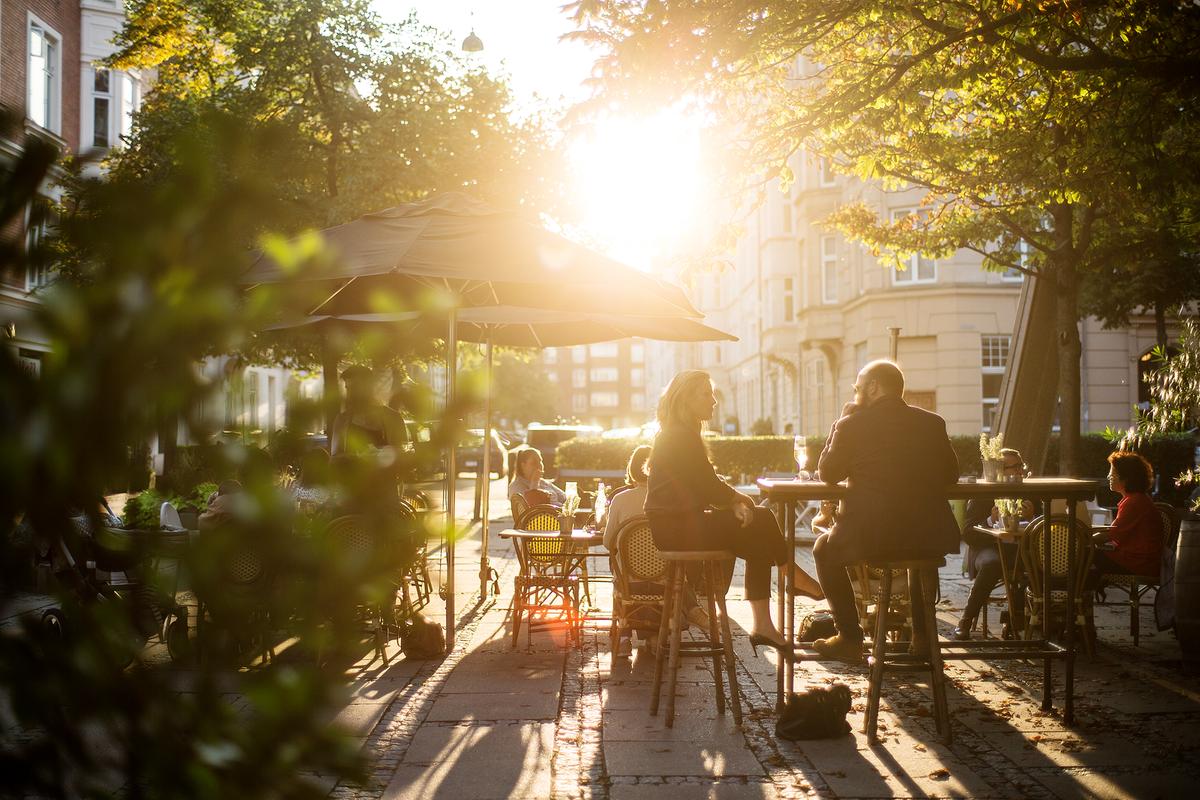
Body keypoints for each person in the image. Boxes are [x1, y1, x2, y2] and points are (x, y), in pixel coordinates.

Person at [644, 370, 823, 660]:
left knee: (759, 536)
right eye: (706, 393)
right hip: (676, 529)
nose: (714, 401)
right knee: (762, 518)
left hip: (676, 525)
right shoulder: (679, 435)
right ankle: (788, 578)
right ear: (687, 399)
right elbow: (707, 485)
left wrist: (733, 504)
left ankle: (769, 616)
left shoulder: (679, 432)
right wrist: (738, 499)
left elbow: (700, 486)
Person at [811, 359, 959, 662]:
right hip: (928, 535)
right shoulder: (932, 422)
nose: (854, 395)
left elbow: (827, 473)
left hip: (872, 536)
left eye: (857, 389)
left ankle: (850, 639)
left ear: (874, 387)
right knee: (919, 559)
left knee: (823, 549)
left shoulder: (852, 424)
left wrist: (838, 423)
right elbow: (950, 476)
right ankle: (922, 639)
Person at [954, 448, 1034, 640]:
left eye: (1019, 466)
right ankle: (966, 619)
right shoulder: (983, 492)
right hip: (986, 547)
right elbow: (969, 533)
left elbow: (1044, 523)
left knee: (1037, 563)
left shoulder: (1030, 490)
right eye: (1012, 467)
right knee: (992, 564)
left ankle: (1017, 620)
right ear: (997, 470)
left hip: (1019, 548)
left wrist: (1034, 517)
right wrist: (990, 520)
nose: (1018, 471)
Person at [1091, 451, 1162, 578]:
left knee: (1084, 553)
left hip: (1137, 564)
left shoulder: (1133, 503)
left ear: (1126, 478)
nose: (1108, 477)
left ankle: (1079, 594)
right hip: (1141, 561)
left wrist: (1081, 538)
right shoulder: (1137, 499)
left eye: (1112, 474)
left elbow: (1111, 534)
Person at [603, 445, 651, 551]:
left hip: (626, 566)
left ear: (631, 469)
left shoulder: (619, 499)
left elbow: (608, 542)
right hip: (665, 566)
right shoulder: (669, 500)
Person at [508, 448, 568, 515]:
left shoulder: (543, 482)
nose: (539, 465)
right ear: (523, 466)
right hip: (541, 522)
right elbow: (531, 509)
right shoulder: (516, 486)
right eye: (533, 463)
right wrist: (534, 482)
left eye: (540, 461)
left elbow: (565, 498)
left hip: (560, 516)